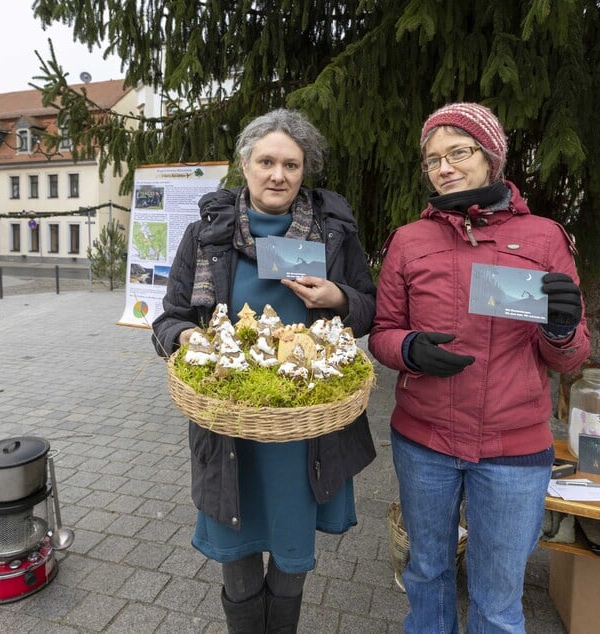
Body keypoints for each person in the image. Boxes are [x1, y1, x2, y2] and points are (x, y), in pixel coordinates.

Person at [368, 102, 590, 633]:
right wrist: (409, 349)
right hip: (424, 441)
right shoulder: (409, 240)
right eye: (433, 159)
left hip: (513, 450)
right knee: (426, 571)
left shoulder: (544, 238)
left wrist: (560, 327)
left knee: (498, 592)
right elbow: (382, 332)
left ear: (491, 157)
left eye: (458, 152)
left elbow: (572, 355)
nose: (444, 167)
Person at [152, 109, 377, 633]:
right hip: (230, 424)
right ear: (245, 165)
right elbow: (169, 317)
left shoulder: (332, 235)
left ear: (305, 171)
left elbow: (369, 309)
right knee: (236, 551)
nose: (278, 174)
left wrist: (338, 296)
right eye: (267, 161)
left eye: (291, 164)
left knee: (293, 556)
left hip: (305, 428)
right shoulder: (206, 235)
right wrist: (187, 336)